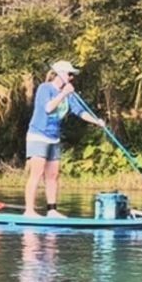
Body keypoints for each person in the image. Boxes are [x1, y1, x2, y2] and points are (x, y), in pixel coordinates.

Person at [24, 60, 105, 217]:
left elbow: (80, 112)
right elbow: (48, 108)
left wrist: (97, 121)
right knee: (37, 173)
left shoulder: (70, 94)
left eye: (72, 75)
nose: (71, 77)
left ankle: (52, 210)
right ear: (60, 74)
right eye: (69, 74)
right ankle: (29, 210)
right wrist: (63, 94)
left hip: (54, 137)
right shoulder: (45, 88)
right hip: (38, 135)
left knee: (53, 175)